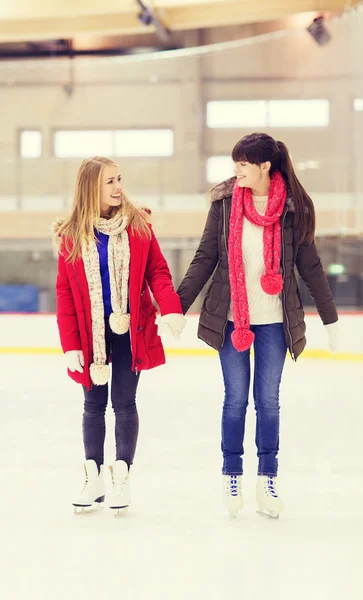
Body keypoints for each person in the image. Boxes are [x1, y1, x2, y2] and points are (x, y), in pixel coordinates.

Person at [177, 133, 339, 518]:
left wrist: (330, 318)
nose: (237, 170)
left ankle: (268, 479)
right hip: (233, 320)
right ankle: (231, 473)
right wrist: (176, 308)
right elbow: (205, 257)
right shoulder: (225, 204)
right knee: (235, 400)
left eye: (244, 164)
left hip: (274, 323)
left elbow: (310, 267)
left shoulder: (292, 209)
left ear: (266, 166)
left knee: (268, 402)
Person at [53, 156, 185, 516]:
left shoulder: (138, 225)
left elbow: (157, 270)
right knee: (93, 405)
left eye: (119, 179)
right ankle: (93, 476)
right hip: (89, 333)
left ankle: (122, 475)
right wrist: (69, 345)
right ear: (91, 188)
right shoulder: (72, 235)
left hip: (132, 328)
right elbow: (65, 293)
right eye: (110, 182)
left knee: (124, 403)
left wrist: (170, 305)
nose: (118, 187)